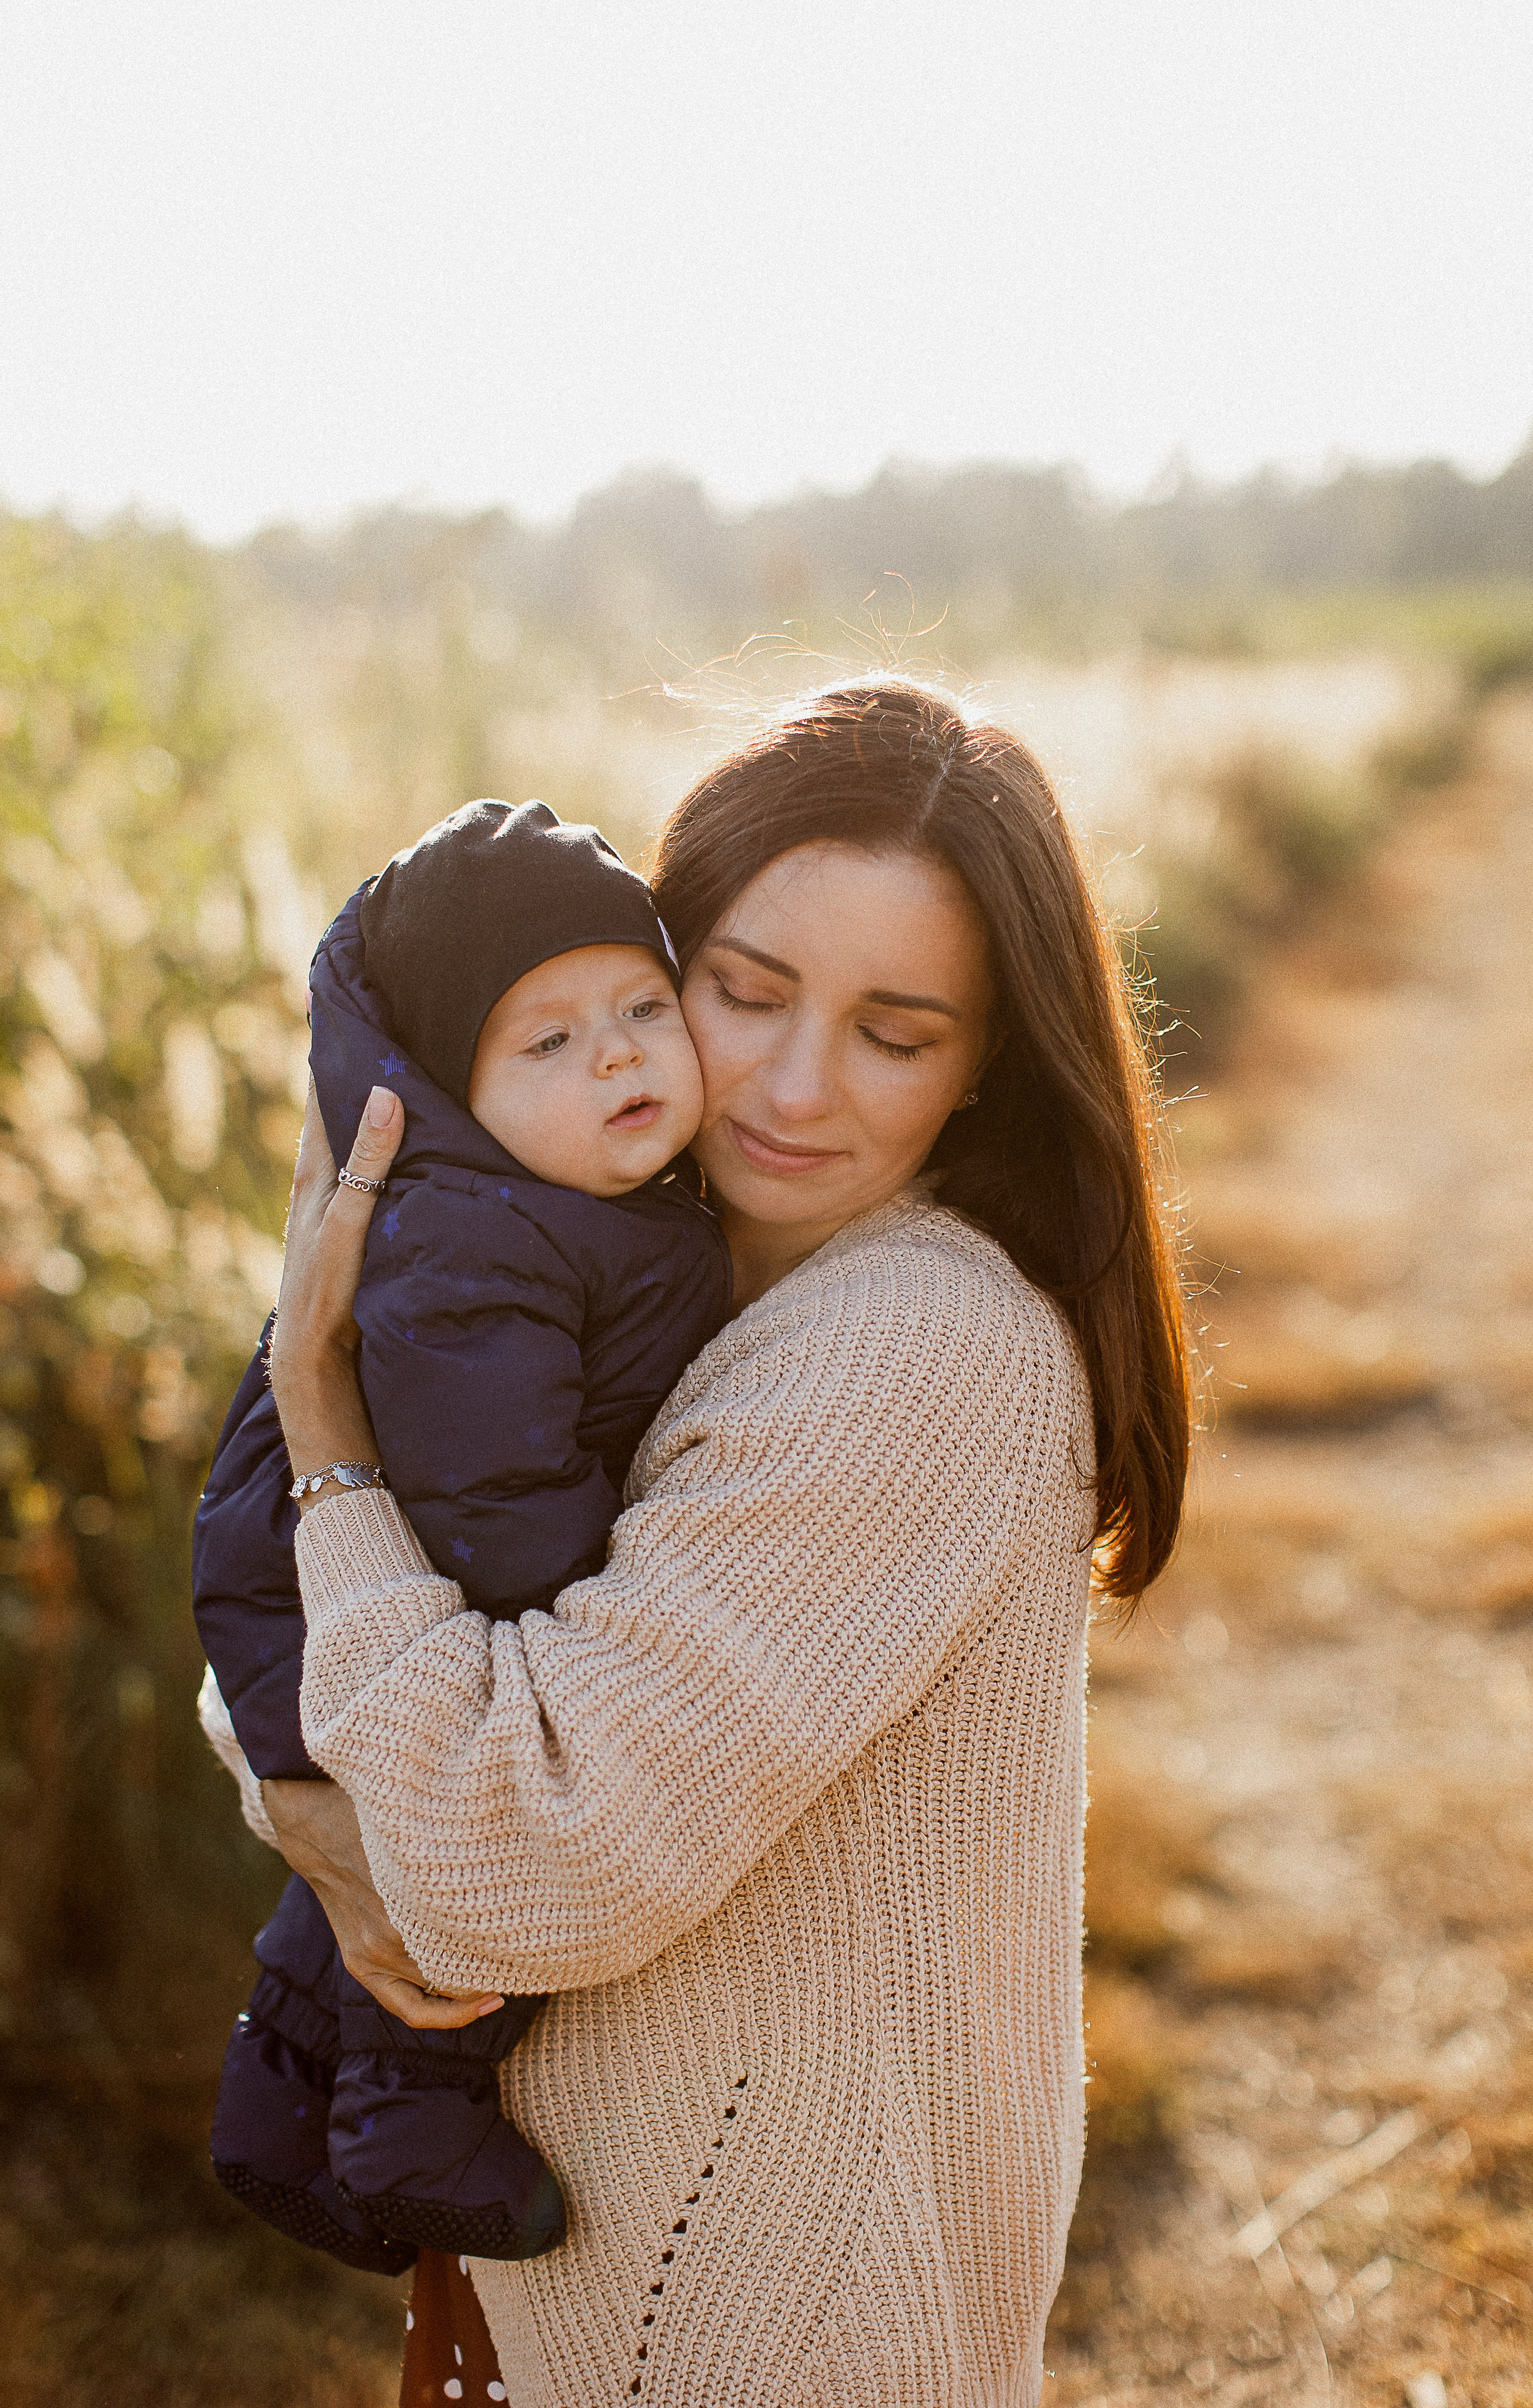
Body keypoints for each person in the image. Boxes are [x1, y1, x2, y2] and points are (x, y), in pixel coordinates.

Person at [247, 682, 1189, 2408]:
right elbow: (311, 1651)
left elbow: (510, 1851)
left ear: (988, 1064)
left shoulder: (911, 1351)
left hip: (765, 2337)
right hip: (581, 2285)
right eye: (743, 993)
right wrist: (306, 1799)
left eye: (896, 1034)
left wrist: (322, 1420)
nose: (789, 1083)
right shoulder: (627, 1273)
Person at [194, 801, 729, 2273]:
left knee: (351, 1879)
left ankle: (276, 2098)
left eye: (638, 1006)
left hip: (326, 1581)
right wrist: (572, 1611)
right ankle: (408, 2119)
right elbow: (490, 1498)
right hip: (351, 1594)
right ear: (447, 1090)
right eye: (542, 1043)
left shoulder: (560, 1202)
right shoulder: (470, 1239)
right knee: (436, 1866)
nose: (614, 1055)